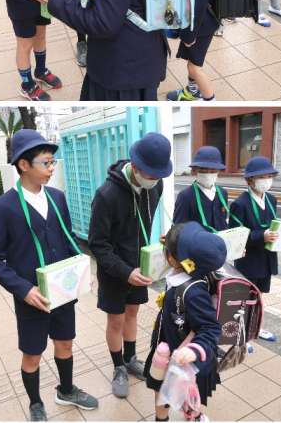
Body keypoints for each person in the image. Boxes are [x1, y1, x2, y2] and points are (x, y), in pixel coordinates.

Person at [0, 130, 98, 421]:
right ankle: (35, 403)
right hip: (31, 298)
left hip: (63, 292)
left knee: (65, 342)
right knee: (32, 354)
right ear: (23, 165)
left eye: (52, 162)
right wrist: (23, 289)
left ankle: (66, 390)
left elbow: (68, 238)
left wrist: (83, 269)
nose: (51, 168)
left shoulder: (57, 198)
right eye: (46, 162)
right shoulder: (2, 208)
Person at [88, 133, 172, 399]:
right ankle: (118, 368)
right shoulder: (106, 195)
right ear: (135, 167)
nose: (155, 180)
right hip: (114, 270)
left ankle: (131, 358)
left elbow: (143, 224)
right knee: (116, 319)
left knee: (133, 313)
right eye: (151, 174)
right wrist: (125, 271)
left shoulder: (155, 186)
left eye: (159, 175)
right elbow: (98, 244)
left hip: (140, 266)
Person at [144, 222, 226, 422]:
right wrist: (170, 244)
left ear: (172, 259)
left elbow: (210, 327)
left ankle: (193, 415)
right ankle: (161, 418)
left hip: (185, 353)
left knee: (187, 388)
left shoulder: (194, 292)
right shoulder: (189, 270)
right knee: (161, 385)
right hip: (166, 343)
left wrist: (195, 349)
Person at [229, 156, 280, 342]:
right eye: (262, 177)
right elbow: (236, 235)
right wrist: (261, 236)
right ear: (250, 180)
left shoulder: (272, 199)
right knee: (245, 296)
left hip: (267, 258)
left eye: (269, 176)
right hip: (249, 260)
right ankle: (240, 333)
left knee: (259, 295)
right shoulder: (240, 204)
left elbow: (273, 225)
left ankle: (256, 327)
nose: (266, 180)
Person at [173, 146, 230, 232]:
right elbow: (178, 229)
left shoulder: (222, 193)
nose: (208, 174)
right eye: (203, 170)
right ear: (195, 170)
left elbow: (223, 221)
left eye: (213, 171)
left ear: (218, 171)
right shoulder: (186, 196)